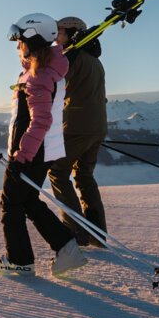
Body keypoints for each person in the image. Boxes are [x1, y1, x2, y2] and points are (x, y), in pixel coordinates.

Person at [0, 13, 87, 277]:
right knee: (28, 202)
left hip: (32, 152)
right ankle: (67, 248)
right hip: (43, 150)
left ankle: (19, 261)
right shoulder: (45, 70)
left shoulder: (39, 75)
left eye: (19, 39)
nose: (16, 46)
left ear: (32, 40)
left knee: (10, 204)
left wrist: (22, 155)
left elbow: (41, 120)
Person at [47, 16, 108, 247]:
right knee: (84, 176)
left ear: (72, 34)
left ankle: (76, 232)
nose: (56, 38)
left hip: (77, 125)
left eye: (59, 33)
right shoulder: (94, 60)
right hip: (97, 125)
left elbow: (54, 82)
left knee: (57, 172)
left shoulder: (72, 57)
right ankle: (98, 234)